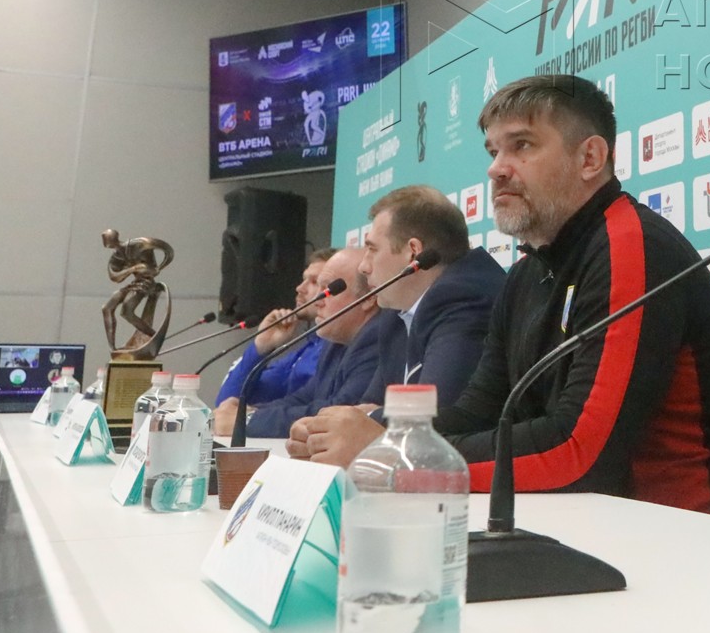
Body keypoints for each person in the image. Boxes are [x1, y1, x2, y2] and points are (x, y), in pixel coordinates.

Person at [288, 75, 710, 519]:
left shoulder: (631, 246)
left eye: (522, 146)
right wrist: (376, 433)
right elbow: (479, 411)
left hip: (680, 532)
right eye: (494, 151)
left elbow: (580, 452)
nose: (496, 169)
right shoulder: (527, 272)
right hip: (584, 520)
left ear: (590, 158)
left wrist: (393, 456)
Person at [284, 184, 504, 458]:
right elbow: (369, 404)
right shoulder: (395, 315)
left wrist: (359, 421)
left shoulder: (464, 297)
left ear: (413, 252)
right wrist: (325, 429)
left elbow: (436, 415)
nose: (363, 267)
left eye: (372, 250)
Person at [242, 247, 395, 438]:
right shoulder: (335, 342)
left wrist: (248, 421)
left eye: (329, 290)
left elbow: (341, 411)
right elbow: (305, 397)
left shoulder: (377, 339)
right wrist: (247, 414)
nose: (318, 301)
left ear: (369, 298)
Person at [211, 249, 331, 436]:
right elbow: (226, 404)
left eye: (314, 282)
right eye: (303, 279)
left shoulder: (335, 350)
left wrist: (250, 417)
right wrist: (261, 347)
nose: (300, 288)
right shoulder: (304, 350)